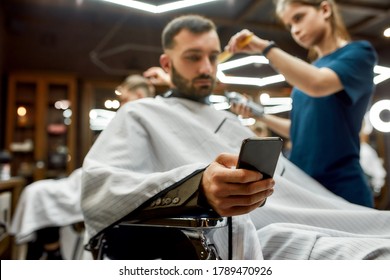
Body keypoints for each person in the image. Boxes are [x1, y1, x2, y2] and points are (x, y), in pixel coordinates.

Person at [81, 14, 390, 260]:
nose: (206, 68)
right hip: (259, 229)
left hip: (325, 207)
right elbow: (100, 189)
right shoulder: (141, 113)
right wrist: (196, 187)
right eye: (193, 57)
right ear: (167, 63)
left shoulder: (227, 118)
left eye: (213, 57)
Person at [226, 0, 377, 207]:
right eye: (289, 25)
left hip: (341, 188)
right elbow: (298, 130)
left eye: (299, 18)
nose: (295, 30)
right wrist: (258, 115)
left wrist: (265, 47)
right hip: (304, 187)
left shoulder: (359, 54)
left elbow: (317, 83)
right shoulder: (309, 72)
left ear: (325, 9)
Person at [9, 74, 155, 260]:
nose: (121, 105)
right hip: (87, 178)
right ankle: (51, 249)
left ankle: (51, 253)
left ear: (140, 96)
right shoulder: (129, 119)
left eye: (124, 99)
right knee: (35, 192)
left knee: (36, 193)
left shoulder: (142, 123)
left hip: (104, 185)